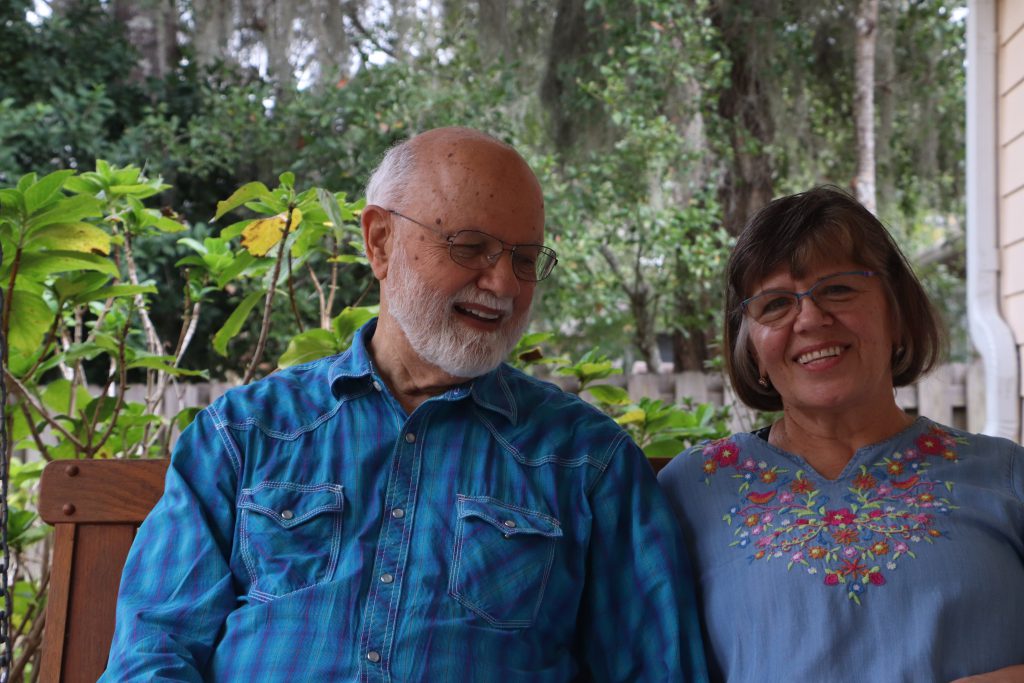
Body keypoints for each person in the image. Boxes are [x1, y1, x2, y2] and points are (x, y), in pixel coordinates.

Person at [102, 127, 708, 681]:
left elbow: (656, 669)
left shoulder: (585, 462)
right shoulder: (244, 435)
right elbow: (156, 650)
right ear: (381, 242)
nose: (503, 284)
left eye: (525, 259)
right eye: (470, 247)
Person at [658, 185, 1024, 683]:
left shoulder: (1007, 478)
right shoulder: (690, 491)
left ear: (896, 312)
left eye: (839, 289)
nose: (810, 318)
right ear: (753, 351)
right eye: (775, 304)